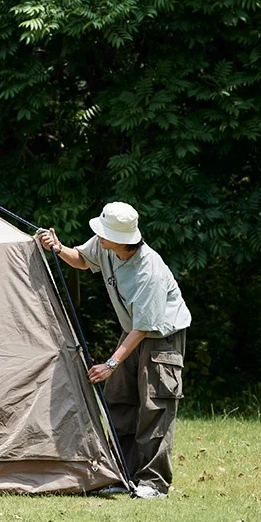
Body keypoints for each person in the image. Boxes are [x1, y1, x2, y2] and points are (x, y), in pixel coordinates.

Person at [37, 201, 191, 499]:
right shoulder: (105, 245)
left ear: (121, 239)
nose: (98, 236)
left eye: (104, 233)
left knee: (154, 405)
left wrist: (111, 363)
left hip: (161, 336)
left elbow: (144, 328)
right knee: (118, 399)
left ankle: (154, 483)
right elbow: (81, 259)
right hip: (132, 329)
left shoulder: (150, 272)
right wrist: (57, 247)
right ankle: (124, 474)